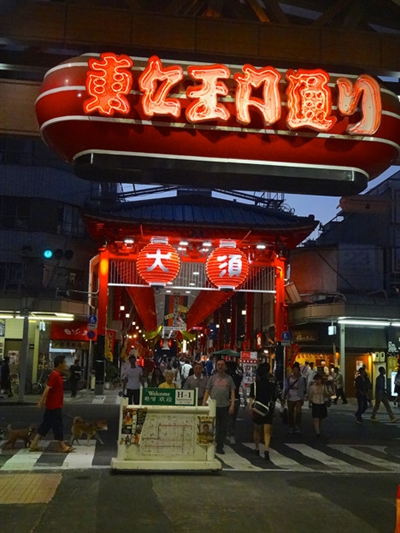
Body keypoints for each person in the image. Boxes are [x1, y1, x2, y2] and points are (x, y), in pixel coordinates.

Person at [29, 355, 73, 453]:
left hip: (53, 404)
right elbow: (47, 389)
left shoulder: (58, 374)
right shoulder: (54, 375)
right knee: (58, 425)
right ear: (60, 364)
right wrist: (41, 402)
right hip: (54, 405)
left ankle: (34, 443)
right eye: (64, 363)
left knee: (46, 424)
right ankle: (62, 446)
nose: (66, 364)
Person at [249, 362, 283, 460]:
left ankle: (257, 448)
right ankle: (266, 449)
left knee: (256, 429)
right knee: (267, 431)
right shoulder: (272, 384)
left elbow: (251, 397)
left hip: (257, 408)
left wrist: (250, 407)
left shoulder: (255, 385)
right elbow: (276, 395)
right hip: (268, 408)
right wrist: (282, 403)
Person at [202, 359, 235, 455]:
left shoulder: (229, 378)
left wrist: (232, 404)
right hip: (213, 406)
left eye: (222, 365)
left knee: (223, 427)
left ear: (225, 367)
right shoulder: (212, 378)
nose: (220, 366)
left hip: (225, 406)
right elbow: (207, 391)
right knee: (212, 426)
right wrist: (204, 404)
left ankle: (220, 446)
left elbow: (232, 392)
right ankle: (210, 444)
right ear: (216, 366)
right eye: (219, 365)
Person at [283, 362, 306, 434]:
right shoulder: (288, 378)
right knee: (290, 412)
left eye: (297, 370)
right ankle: (291, 426)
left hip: (298, 396)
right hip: (290, 396)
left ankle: (297, 425)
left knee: (299, 412)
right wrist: (284, 396)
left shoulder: (301, 379)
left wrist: (302, 398)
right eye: (294, 370)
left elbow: (302, 388)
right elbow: (286, 387)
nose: (295, 371)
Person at [226, 361, 243, 444]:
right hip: (236, 399)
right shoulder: (238, 377)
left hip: (226, 399)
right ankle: (231, 435)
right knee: (233, 418)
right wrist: (244, 399)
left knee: (226, 418)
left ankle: (227, 434)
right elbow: (243, 387)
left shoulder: (225, 377)